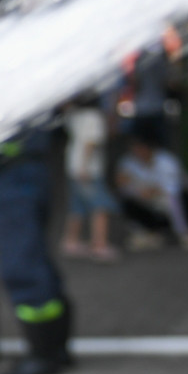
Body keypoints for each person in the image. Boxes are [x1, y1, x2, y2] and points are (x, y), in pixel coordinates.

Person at [0, 125, 71, 374]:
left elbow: (5, 124)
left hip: (14, 176)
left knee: (21, 267)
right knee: (35, 262)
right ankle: (55, 349)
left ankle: (42, 355)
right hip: (25, 173)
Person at [113, 123, 188, 250]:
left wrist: (152, 191)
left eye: (140, 147)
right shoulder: (128, 161)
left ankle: (184, 232)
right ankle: (145, 232)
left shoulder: (167, 161)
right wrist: (138, 191)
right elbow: (121, 184)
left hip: (167, 200)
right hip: (144, 199)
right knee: (126, 201)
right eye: (134, 147)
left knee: (178, 198)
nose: (136, 151)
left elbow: (173, 189)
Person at [61, 94, 118, 262]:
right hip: (89, 170)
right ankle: (100, 245)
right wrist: (85, 167)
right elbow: (91, 143)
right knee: (100, 206)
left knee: (77, 206)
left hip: (72, 165)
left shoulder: (73, 115)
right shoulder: (94, 117)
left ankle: (71, 241)